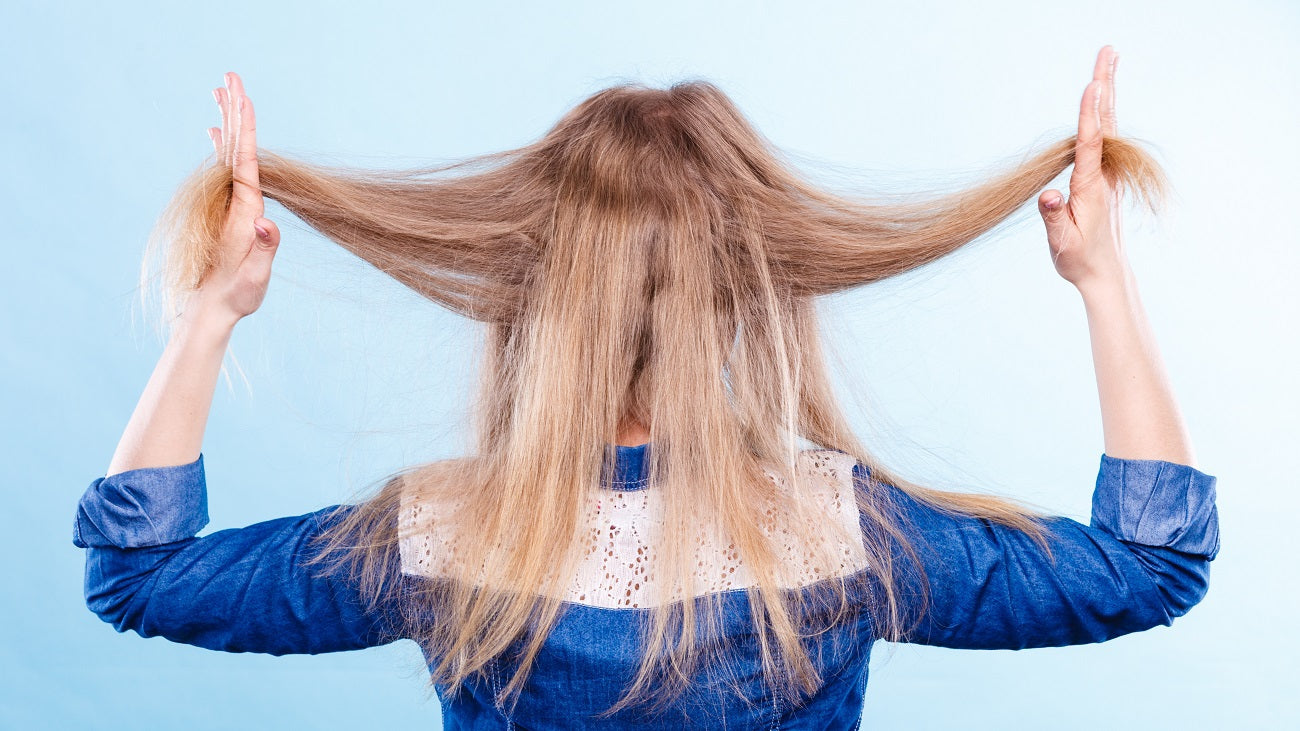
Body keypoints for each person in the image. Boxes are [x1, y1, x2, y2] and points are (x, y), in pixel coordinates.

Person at [73, 45, 1219, 729]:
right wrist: (1103, 283)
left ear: (538, 295)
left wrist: (208, 315)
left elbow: (139, 577)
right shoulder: (845, 531)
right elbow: (1150, 565)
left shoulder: (435, 534)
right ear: (745, 296)